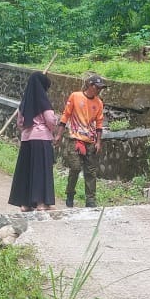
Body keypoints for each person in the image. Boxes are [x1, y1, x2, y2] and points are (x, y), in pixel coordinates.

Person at [8, 72, 61, 211]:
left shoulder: (24, 104)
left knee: (27, 170)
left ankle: (25, 204)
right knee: (41, 170)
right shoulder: (43, 102)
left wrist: (27, 130)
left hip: (26, 140)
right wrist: (54, 126)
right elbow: (50, 121)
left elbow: (20, 123)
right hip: (41, 139)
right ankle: (41, 203)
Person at [57, 74, 108, 208]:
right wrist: (59, 135)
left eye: (101, 88)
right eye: (98, 87)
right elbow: (65, 115)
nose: (99, 90)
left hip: (90, 141)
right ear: (90, 86)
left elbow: (99, 124)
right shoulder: (75, 96)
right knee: (75, 167)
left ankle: (90, 200)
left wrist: (98, 142)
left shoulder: (99, 103)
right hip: (75, 139)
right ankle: (70, 194)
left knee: (91, 172)